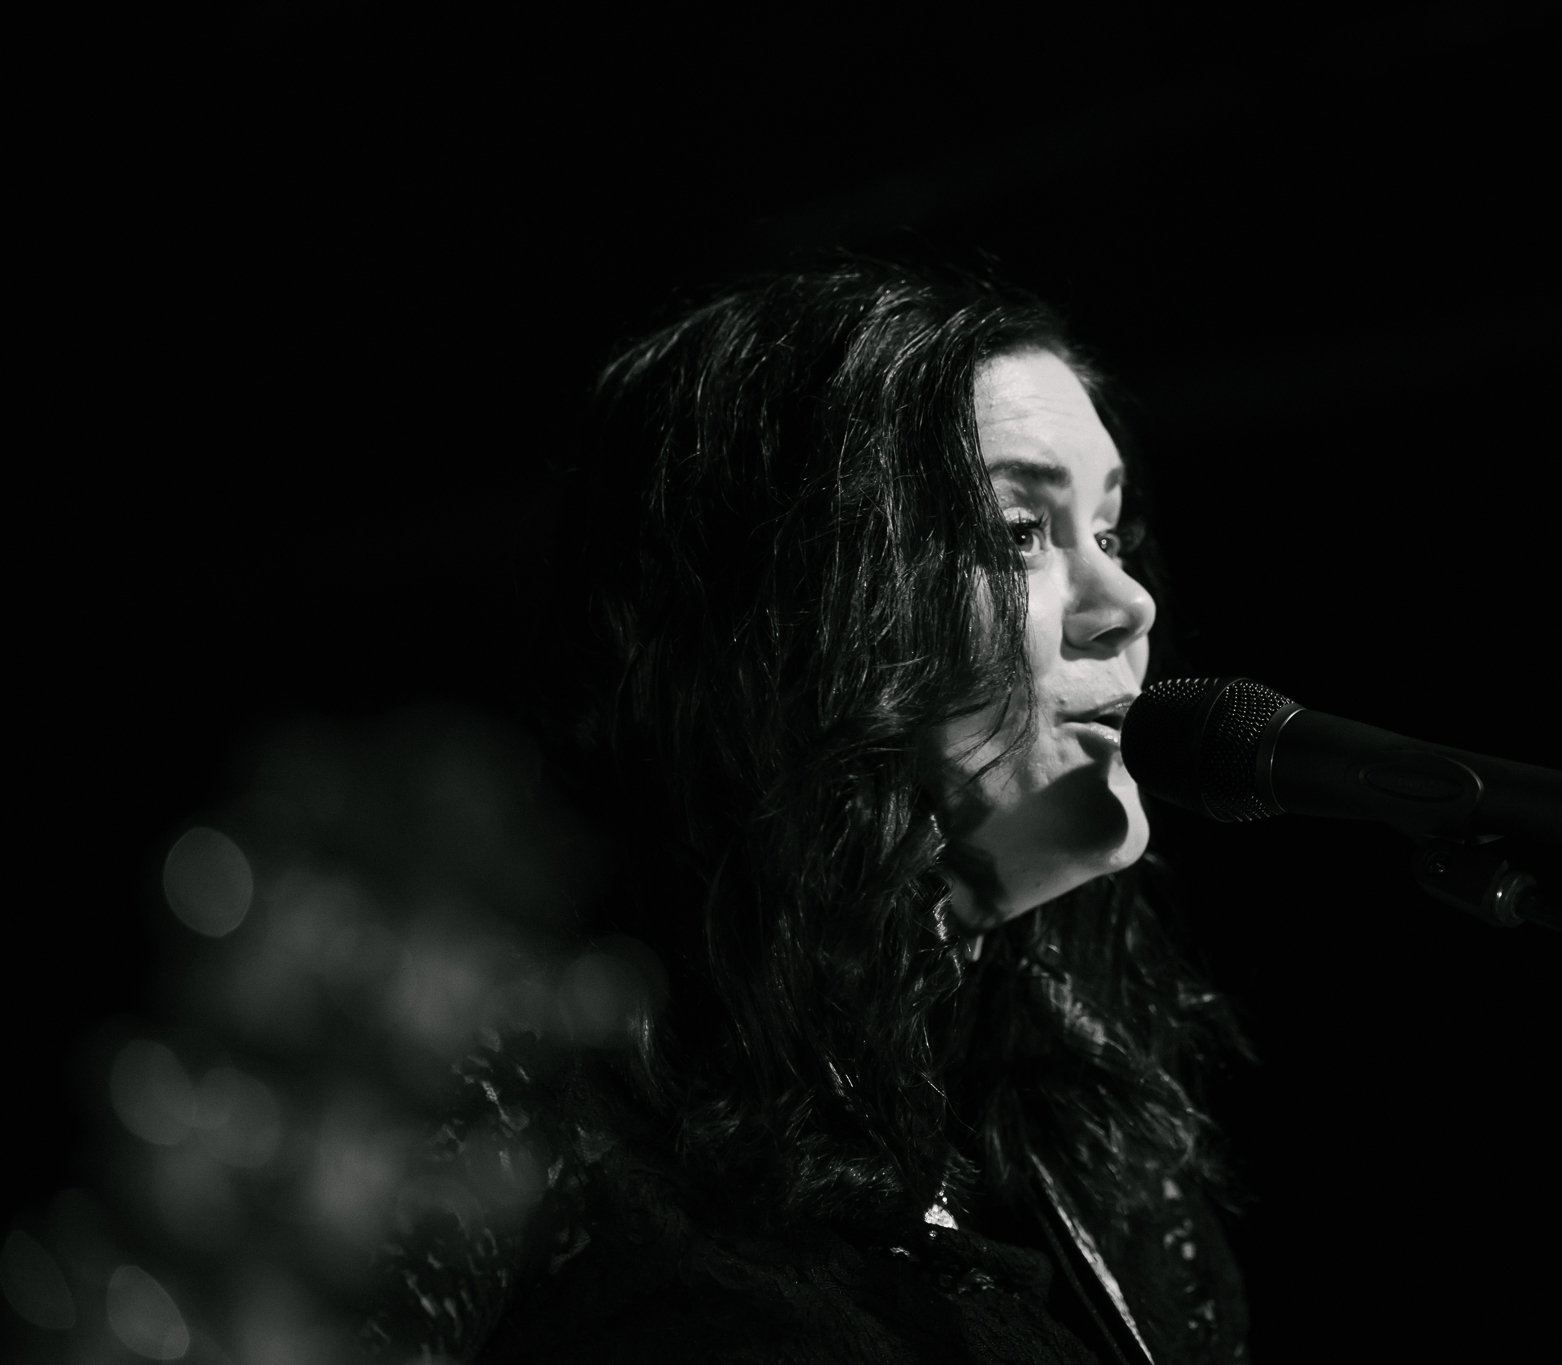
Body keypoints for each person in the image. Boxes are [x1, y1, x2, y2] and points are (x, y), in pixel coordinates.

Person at [361, 257, 1252, 1363]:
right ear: (793, 617)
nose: (1128, 603)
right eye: (1018, 530)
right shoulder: (545, 1157)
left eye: (1108, 534)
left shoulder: (1109, 1185)